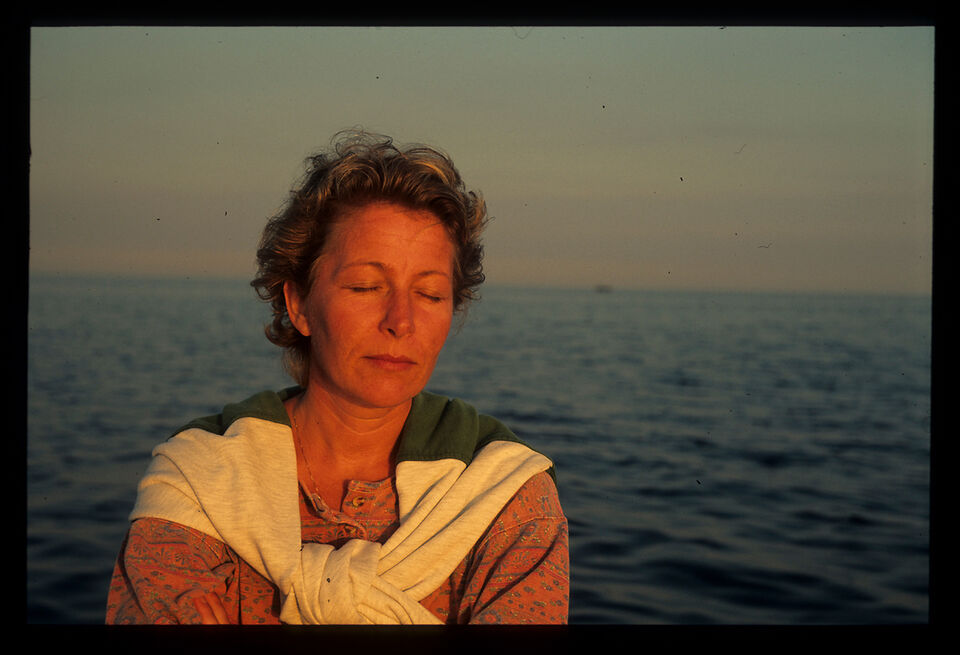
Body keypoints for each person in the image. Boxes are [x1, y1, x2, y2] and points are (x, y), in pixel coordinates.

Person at [105, 131, 569, 624]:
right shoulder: (198, 478)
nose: (401, 321)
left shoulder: (505, 489)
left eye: (430, 294)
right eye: (366, 287)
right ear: (299, 304)